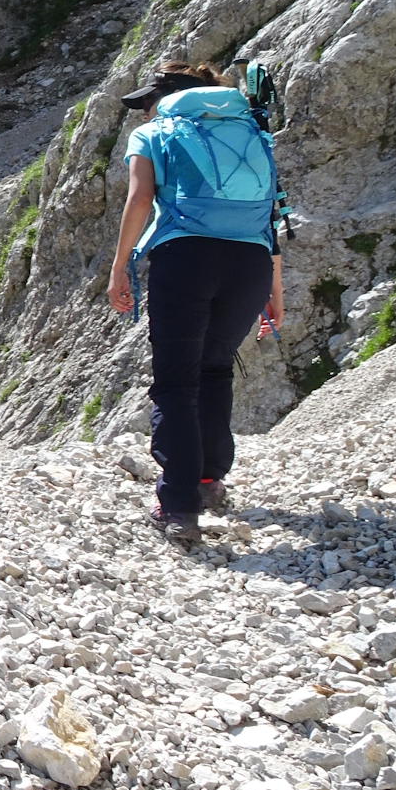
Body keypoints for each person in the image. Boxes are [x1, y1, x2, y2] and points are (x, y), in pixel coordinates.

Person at [105, 61, 284, 544]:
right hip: (251, 264)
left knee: (175, 382)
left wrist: (119, 265)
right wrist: (274, 289)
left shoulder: (156, 133)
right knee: (216, 367)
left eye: (145, 103)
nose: (142, 112)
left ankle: (179, 507)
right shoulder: (252, 132)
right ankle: (208, 480)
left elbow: (141, 199)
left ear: (165, 100)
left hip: (186, 259)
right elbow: (272, 214)